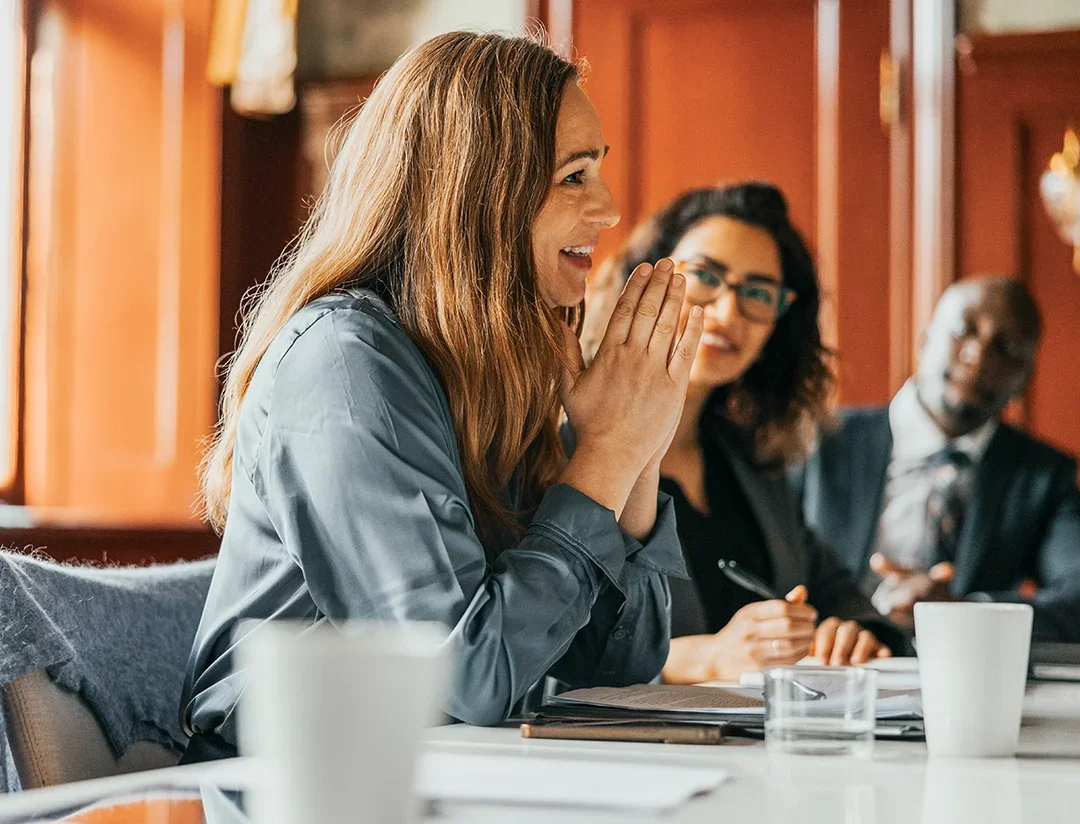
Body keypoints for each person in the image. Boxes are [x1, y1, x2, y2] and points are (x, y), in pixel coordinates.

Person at [180, 31, 706, 761]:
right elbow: (466, 675)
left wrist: (636, 447)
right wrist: (609, 453)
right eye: (574, 176)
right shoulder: (345, 362)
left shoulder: (502, 360)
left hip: (445, 780)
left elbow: (616, 674)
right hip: (296, 789)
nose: (611, 208)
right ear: (480, 192)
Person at [584, 183, 905, 686]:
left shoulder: (751, 461)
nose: (729, 312)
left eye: (758, 293)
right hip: (626, 758)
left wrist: (850, 631)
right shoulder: (563, 445)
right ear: (642, 278)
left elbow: (833, 589)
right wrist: (704, 659)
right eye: (706, 275)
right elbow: (536, 654)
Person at [796, 276, 1080, 640]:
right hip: (831, 668)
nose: (978, 356)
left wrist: (963, 611)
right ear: (924, 340)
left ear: (1024, 379)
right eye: (963, 330)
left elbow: (1076, 597)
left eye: (1006, 348)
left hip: (968, 676)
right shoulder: (818, 440)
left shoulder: (1044, 475)